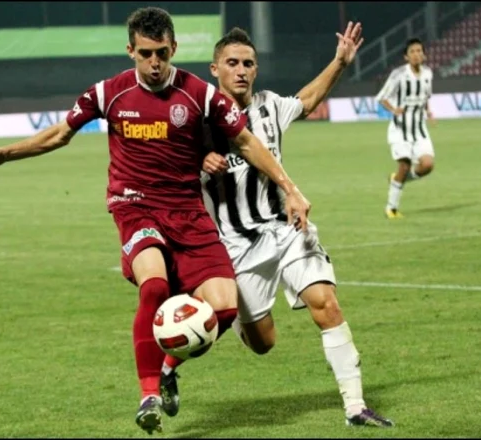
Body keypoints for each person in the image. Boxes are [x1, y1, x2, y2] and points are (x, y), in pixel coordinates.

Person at [0, 7, 311, 435]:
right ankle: (147, 395)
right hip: (135, 207)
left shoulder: (199, 94)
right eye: (145, 53)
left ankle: (166, 367)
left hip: (187, 211)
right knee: (155, 284)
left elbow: (245, 140)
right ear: (130, 50)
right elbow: (58, 134)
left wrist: (290, 188)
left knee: (223, 306)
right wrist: (4, 155)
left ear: (174, 49)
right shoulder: (107, 94)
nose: (154, 63)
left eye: (162, 53)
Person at [158, 25, 394, 428]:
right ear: (215, 69)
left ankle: (355, 406)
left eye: (248, 63)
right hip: (235, 247)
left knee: (326, 304)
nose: (241, 70)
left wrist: (339, 61)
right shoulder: (195, 121)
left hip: (286, 230)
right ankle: (169, 365)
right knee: (263, 344)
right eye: (232, 63)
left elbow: (309, 97)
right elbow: (166, 171)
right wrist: (197, 163)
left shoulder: (269, 106)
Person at [376, 38, 435, 219]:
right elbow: (382, 97)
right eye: (412, 52)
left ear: (423, 54)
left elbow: (426, 97)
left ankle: (397, 179)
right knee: (404, 164)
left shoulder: (427, 74)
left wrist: (429, 112)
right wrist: (394, 109)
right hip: (400, 129)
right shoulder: (399, 74)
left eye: (419, 51)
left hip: (419, 129)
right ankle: (391, 208)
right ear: (406, 56)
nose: (416, 54)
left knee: (427, 165)